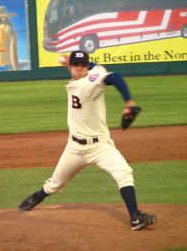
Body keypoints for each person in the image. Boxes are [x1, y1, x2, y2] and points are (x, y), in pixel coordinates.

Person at [17, 51, 157, 231]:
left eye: (83, 65)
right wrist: (68, 61)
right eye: (76, 65)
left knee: (124, 173)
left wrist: (128, 101)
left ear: (86, 66)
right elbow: (98, 70)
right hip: (74, 148)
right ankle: (36, 197)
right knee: (55, 185)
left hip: (101, 146)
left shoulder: (88, 84)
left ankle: (135, 217)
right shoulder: (95, 72)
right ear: (71, 67)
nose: (81, 68)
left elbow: (114, 77)